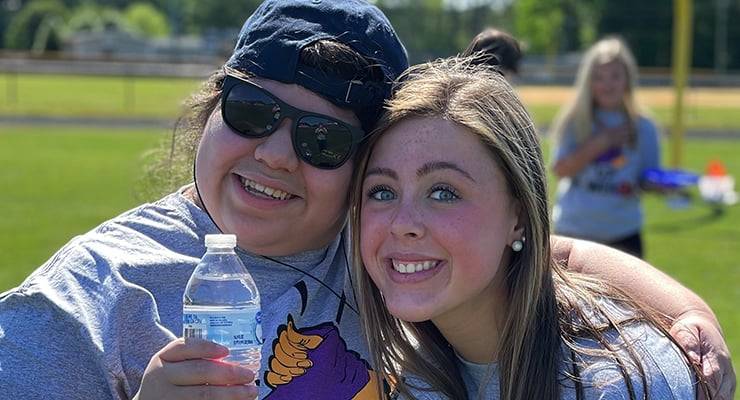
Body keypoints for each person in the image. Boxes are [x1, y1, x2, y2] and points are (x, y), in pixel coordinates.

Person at [0, 2, 733, 399]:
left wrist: (683, 309)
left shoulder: (378, 248)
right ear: (213, 106)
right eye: (254, 113)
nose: (277, 153)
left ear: (361, 175)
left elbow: (540, 245)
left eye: (323, 141)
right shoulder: (84, 296)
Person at [350, 57, 710, 399]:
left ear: (519, 219)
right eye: (382, 191)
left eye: (444, 192)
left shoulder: (621, 380)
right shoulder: (409, 378)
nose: (403, 224)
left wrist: (692, 312)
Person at [549, 37, 661, 258]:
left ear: (627, 79)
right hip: (575, 230)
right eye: (599, 77)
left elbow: (646, 179)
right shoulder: (575, 120)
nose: (607, 84)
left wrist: (664, 186)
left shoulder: (644, 126)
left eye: (615, 76)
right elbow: (560, 170)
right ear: (588, 81)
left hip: (623, 232)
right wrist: (602, 142)